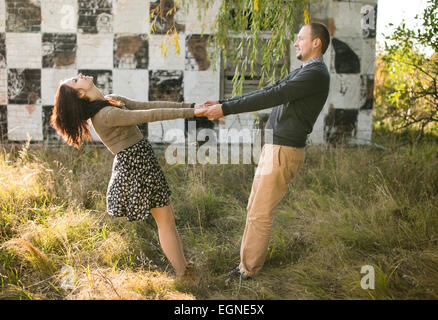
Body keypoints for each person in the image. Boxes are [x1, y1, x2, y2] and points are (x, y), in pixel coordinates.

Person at [202, 22, 331, 281]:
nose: (296, 42)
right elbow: (271, 90)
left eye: (301, 38)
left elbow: (273, 96)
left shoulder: (315, 74)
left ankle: (247, 271)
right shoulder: (306, 71)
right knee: (255, 208)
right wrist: (224, 103)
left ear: (316, 43)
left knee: (260, 214)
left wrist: (225, 110)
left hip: (283, 150)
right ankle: (246, 265)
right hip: (276, 147)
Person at [50, 73, 207, 278]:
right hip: (136, 168)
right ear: (80, 93)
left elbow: (147, 105)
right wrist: (194, 112)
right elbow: (150, 115)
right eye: (75, 80)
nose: (79, 76)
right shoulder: (106, 114)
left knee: (168, 218)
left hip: (142, 162)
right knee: (165, 221)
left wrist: (194, 106)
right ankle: (182, 274)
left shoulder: (111, 101)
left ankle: (184, 269)